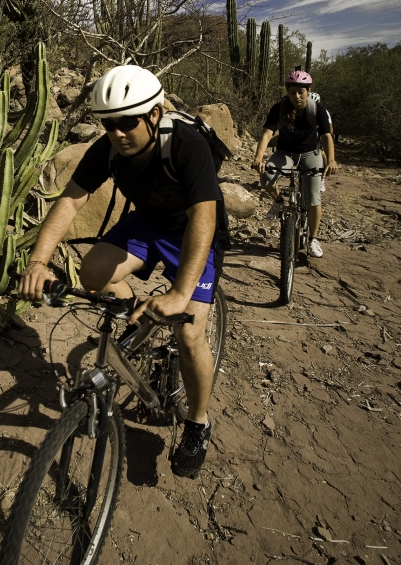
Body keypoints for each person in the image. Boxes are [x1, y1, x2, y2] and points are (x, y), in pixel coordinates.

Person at [19, 65, 227, 478]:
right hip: (147, 224)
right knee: (93, 272)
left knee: (188, 333)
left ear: (153, 114)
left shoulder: (185, 144)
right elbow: (71, 201)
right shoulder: (108, 150)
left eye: (126, 122)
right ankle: (138, 314)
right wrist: (38, 262)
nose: (116, 133)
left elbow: (204, 217)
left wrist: (180, 294)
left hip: (192, 230)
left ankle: (197, 424)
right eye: (108, 124)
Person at [252, 68, 337, 258]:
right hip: (286, 153)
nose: (297, 96)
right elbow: (267, 134)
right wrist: (259, 158)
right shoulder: (279, 108)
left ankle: (313, 239)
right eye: (292, 92)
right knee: (266, 177)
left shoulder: (317, 110)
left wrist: (331, 160)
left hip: (310, 153)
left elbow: (326, 136)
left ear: (308, 91)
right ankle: (279, 203)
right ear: (287, 92)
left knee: (313, 197)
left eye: (301, 92)